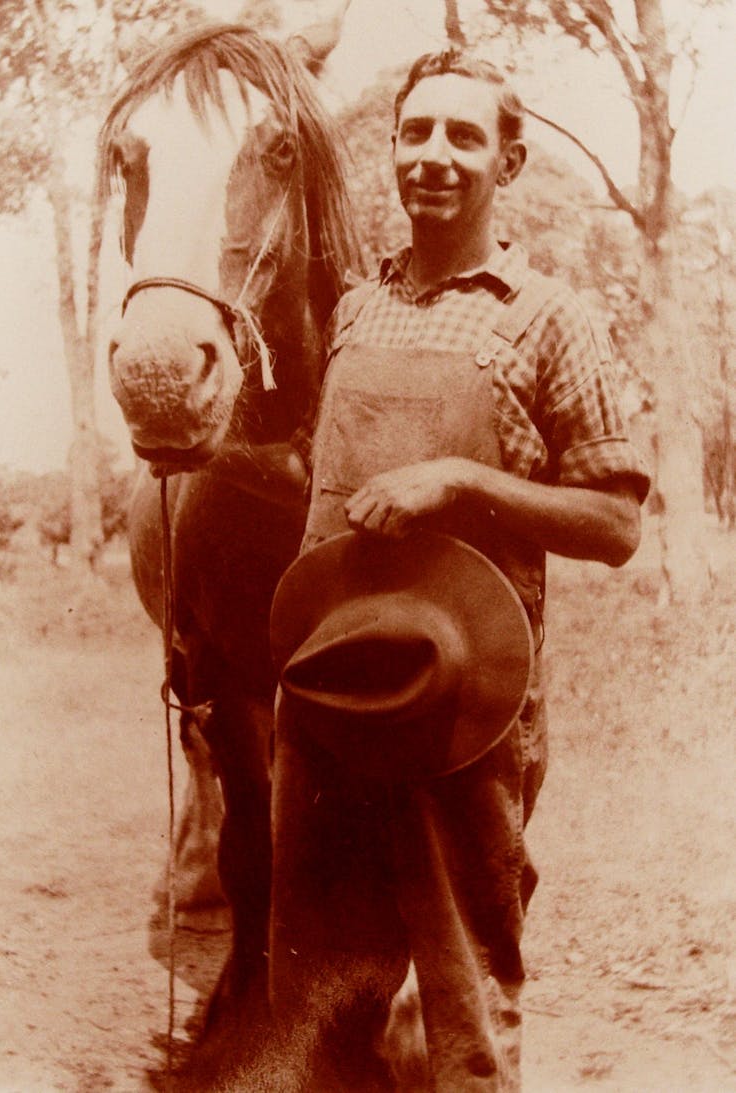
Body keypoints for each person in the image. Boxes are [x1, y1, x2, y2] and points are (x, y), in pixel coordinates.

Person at [267, 49, 650, 1092]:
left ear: (508, 162)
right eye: (415, 131)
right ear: (391, 150)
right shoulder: (351, 310)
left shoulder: (547, 316)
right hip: (325, 699)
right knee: (314, 1001)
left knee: (463, 1009)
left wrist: (458, 483)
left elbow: (616, 524)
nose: (433, 156)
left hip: (462, 719)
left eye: (464, 135)